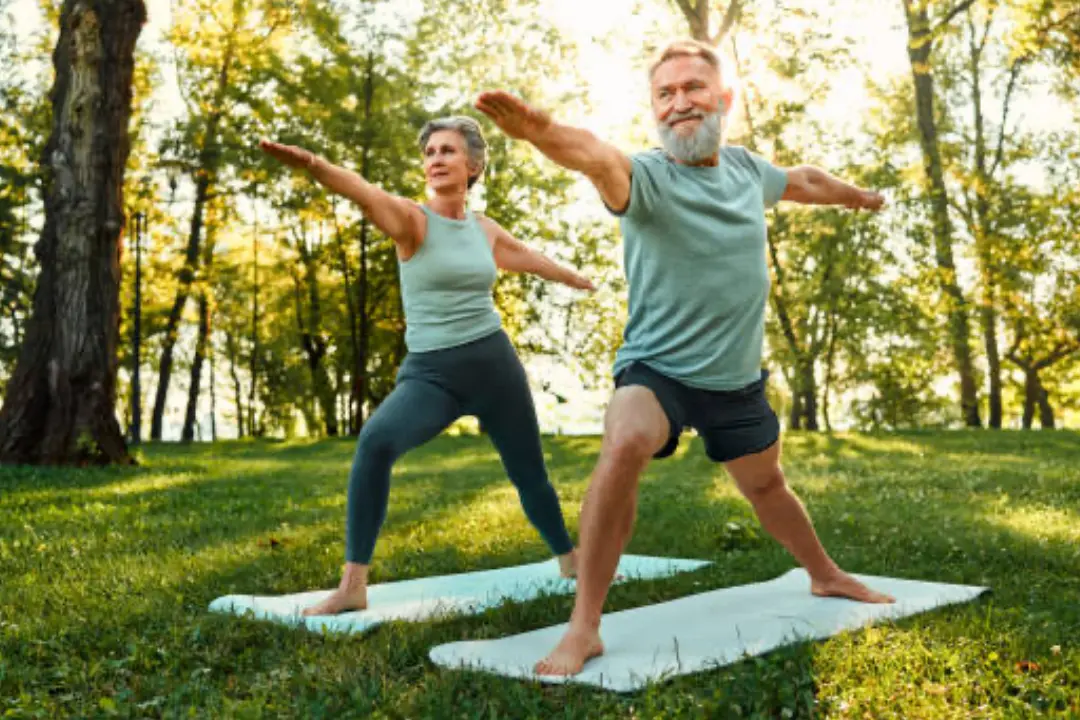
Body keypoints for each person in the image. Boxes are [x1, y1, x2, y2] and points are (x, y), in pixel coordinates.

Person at [475, 39, 896, 676]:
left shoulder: (749, 171)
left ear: (723, 99)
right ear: (654, 110)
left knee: (767, 487)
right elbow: (594, 157)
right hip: (658, 371)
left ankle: (825, 574)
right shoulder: (644, 177)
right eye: (665, 94)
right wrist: (540, 133)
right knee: (625, 440)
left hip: (734, 380)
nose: (679, 104)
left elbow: (806, 180)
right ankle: (584, 625)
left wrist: (857, 196)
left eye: (693, 89)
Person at [259, 115, 593, 616]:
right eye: (430, 152)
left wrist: (572, 278)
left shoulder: (483, 229)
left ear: (473, 165)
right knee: (375, 443)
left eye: (447, 151)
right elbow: (365, 194)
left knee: (529, 473)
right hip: (433, 374)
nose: (435, 159)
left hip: (494, 365)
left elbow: (524, 255)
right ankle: (353, 585)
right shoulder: (411, 221)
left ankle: (569, 560)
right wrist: (312, 164)